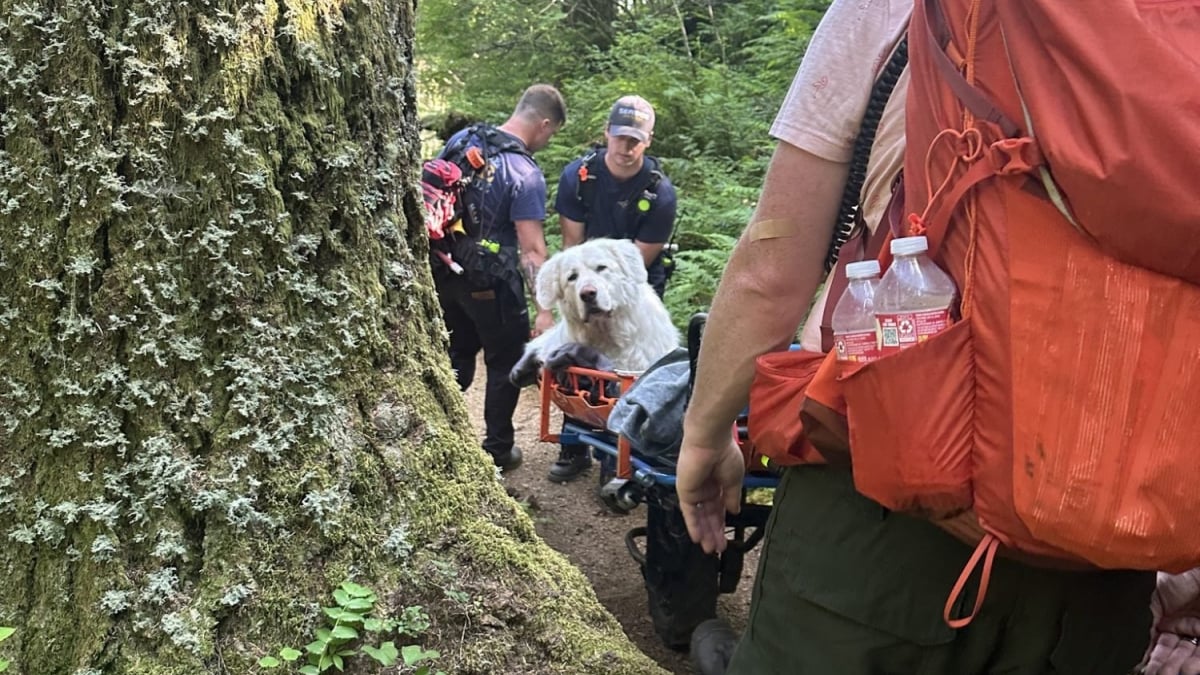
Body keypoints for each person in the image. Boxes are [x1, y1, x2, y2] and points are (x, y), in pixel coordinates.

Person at [674, 2, 1164, 673]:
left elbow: (773, 269)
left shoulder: (891, 8)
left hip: (886, 500)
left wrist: (704, 436)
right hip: (1113, 535)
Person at [545, 94, 679, 483]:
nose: (627, 147)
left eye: (636, 139)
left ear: (648, 141)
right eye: (621, 137)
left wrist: (609, 300)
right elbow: (573, 250)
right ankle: (573, 446)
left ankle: (620, 460)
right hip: (584, 280)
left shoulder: (660, 195)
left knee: (631, 372)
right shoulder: (578, 179)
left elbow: (637, 266)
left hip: (633, 289)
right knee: (575, 361)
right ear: (607, 134)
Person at [432, 84, 566, 473]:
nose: (547, 140)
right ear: (543, 124)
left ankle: (437, 438)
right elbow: (532, 251)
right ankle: (497, 450)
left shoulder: (462, 140)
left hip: (443, 270)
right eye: (551, 133)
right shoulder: (525, 173)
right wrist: (545, 310)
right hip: (492, 285)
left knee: (455, 355)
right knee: (505, 362)